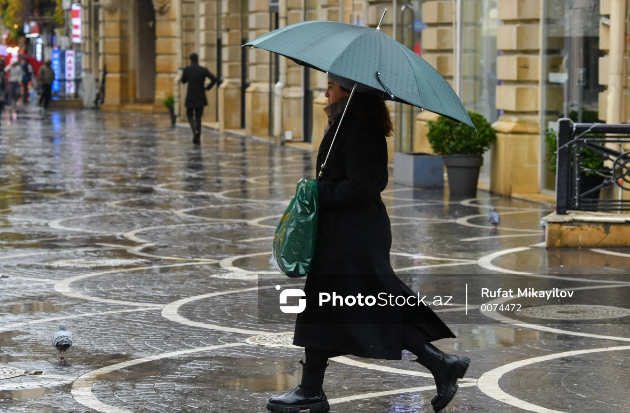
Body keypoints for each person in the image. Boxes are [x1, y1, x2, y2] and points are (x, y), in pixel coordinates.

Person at [266, 74, 470, 413]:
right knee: (328, 306)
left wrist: (320, 191)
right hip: (344, 235)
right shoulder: (348, 123)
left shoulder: (360, 128)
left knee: (359, 305)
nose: (325, 92)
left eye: (330, 86)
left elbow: (362, 187)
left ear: (348, 91)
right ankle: (312, 388)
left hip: (353, 238)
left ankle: (439, 364)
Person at [180, 53, 218, 145]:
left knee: (189, 115)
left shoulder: (187, 69)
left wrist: (186, 74)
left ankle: (194, 130)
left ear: (190, 60)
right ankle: (197, 138)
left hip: (190, 96)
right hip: (201, 95)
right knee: (198, 117)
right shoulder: (203, 70)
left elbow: (183, 81)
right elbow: (214, 79)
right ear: (198, 60)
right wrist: (207, 88)